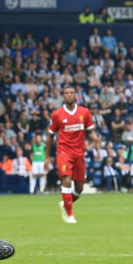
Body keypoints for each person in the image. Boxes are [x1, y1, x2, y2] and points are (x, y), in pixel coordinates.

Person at [46, 86, 96, 224]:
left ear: (76, 96)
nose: (69, 95)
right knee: (66, 180)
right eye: (66, 93)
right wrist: (46, 156)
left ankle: (66, 203)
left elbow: (90, 131)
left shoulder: (84, 112)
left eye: (71, 93)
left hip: (79, 153)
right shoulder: (57, 114)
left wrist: (95, 138)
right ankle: (70, 214)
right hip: (64, 152)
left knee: (79, 187)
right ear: (63, 96)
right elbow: (50, 136)